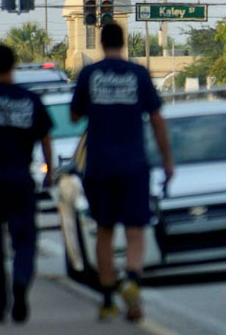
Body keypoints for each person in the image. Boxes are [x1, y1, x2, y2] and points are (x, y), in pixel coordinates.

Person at [70, 23, 173, 322]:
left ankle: (107, 300)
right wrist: (167, 160)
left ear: (101, 44)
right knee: (135, 229)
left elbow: (75, 115)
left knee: (104, 230)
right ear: (124, 42)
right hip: (133, 164)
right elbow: (157, 119)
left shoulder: (89, 74)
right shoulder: (138, 74)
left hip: (99, 165)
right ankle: (132, 279)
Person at [0, 45, 53, 324]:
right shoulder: (29, 99)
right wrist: (50, 172)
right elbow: (45, 138)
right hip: (20, 178)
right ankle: (21, 279)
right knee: (24, 239)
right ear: (13, 65)